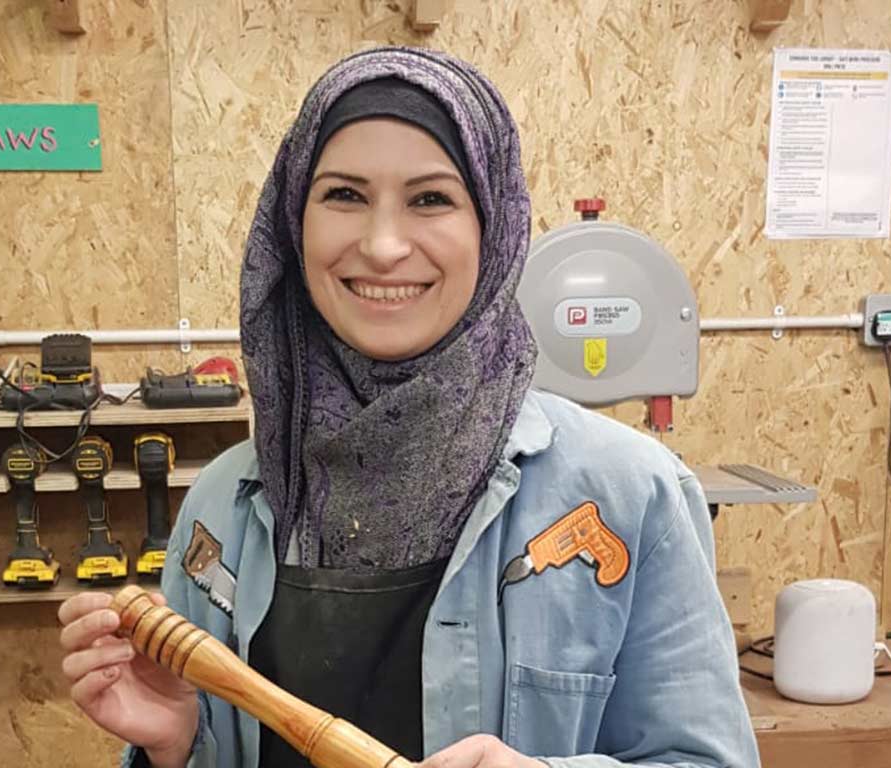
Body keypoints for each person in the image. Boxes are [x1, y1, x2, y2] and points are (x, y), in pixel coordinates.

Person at [58, 46, 760, 768]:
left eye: (431, 199)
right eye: (343, 196)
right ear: (292, 225)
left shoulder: (629, 494)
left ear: (494, 226)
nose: (384, 245)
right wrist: (176, 747)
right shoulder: (225, 507)